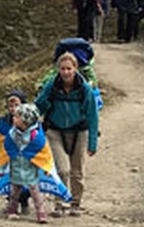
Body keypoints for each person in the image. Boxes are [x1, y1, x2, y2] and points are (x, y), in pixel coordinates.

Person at [36, 51, 100, 215]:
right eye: (63, 69)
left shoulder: (84, 88)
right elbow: (38, 107)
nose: (66, 72)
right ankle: (59, 203)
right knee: (62, 170)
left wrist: (93, 143)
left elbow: (92, 116)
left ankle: (75, 203)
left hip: (79, 131)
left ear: (75, 69)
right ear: (58, 69)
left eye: (69, 69)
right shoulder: (52, 85)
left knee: (77, 171)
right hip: (55, 131)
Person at [0, 101, 69, 223]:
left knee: (35, 191)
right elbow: (8, 149)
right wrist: (4, 165)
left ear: (25, 120)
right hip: (16, 166)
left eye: (17, 116)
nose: (13, 118)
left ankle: (40, 212)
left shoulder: (36, 136)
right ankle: (12, 210)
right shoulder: (12, 133)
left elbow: (43, 153)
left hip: (30, 168)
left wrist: (45, 168)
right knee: (14, 191)